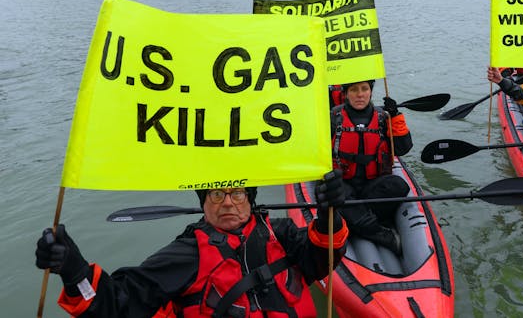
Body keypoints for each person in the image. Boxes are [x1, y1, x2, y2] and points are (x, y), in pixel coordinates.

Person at [35, 171, 348, 318]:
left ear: (250, 200)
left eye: (237, 193)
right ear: (204, 203)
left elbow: (321, 261)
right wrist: (75, 274)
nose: (227, 202)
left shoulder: (281, 233)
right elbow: (119, 304)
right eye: (216, 194)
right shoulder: (186, 254)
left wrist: (327, 218)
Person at [330, 80, 412, 255]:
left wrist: (395, 116)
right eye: (354, 90)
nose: (360, 94)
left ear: (370, 92)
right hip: (345, 185)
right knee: (334, 192)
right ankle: (379, 233)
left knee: (399, 185)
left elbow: (403, 148)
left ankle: (354, 222)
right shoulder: (333, 118)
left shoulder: (383, 117)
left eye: (364, 89)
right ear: (345, 94)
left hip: (373, 187)